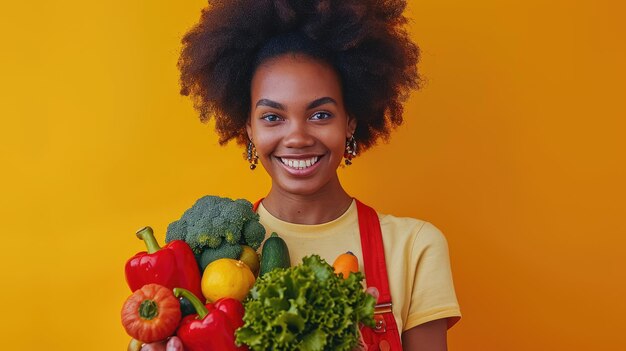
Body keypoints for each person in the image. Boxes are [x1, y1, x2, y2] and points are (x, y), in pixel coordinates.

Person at [177, 1, 461, 350]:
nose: (297, 137)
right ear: (248, 126)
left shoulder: (414, 247)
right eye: (272, 117)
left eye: (320, 115)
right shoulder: (209, 255)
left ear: (350, 122)